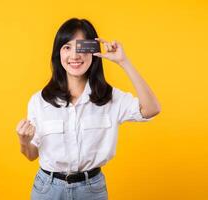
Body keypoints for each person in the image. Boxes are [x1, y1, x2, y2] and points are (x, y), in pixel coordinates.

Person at [16, 18, 161, 200]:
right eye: (67, 47)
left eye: (82, 47)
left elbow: (152, 108)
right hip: (48, 190)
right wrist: (23, 141)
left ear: (93, 52)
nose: (75, 56)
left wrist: (124, 62)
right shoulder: (40, 101)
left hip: (91, 190)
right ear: (58, 53)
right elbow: (31, 155)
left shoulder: (110, 97)